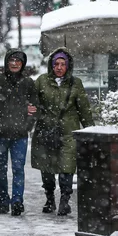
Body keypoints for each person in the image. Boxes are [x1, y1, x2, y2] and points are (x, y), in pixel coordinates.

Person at [31, 47, 94, 216]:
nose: (59, 67)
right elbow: (33, 104)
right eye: (56, 64)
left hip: (68, 133)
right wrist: (34, 115)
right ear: (51, 65)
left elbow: (84, 110)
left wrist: (91, 131)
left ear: (68, 66)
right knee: (47, 168)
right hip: (46, 132)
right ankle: (50, 198)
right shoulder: (41, 81)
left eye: (62, 64)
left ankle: (65, 200)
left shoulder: (76, 83)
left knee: (67, 167)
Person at [0, 49, 38, 216]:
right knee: (1, 169)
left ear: (23, 63)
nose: (14, 63)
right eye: (11, 60)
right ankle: (3, 201)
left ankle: (17, 201)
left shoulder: (28, 84)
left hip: (20, 135)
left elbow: (35, 108)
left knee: (18, 169)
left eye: (18, 60)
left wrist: (27, 126)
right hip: (0, 135)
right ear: (6, 62)